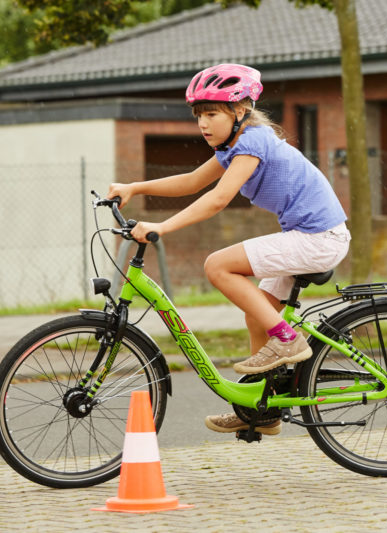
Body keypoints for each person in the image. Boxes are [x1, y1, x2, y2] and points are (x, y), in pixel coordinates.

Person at [107, 64, 350, 436]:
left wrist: (162, 226)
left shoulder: (253, 141)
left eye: (211, 114)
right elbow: (191, 181)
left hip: (318, 238)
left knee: (218, 266)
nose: (203, 124)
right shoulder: (232, 146)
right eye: (198, 115)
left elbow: (219, 199)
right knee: (258, 316)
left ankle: (288, 340)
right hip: (307, 236)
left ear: (240, 112)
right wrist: (135, 187)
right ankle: (260, 409)